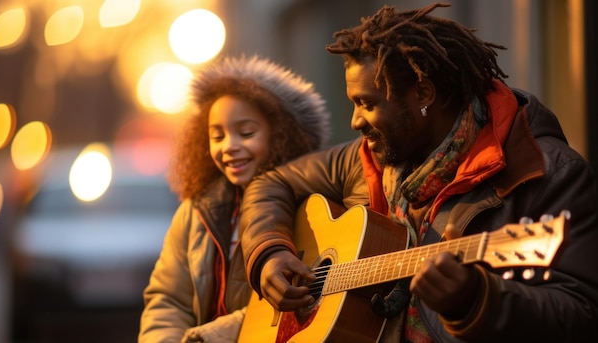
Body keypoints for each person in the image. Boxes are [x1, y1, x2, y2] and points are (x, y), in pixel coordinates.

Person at [239, 3, 598, 342]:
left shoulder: (546, 173)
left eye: (367, 104)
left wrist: (477, 301)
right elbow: (272, 183)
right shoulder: (372, 156)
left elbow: (581, 315)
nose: (355, 121)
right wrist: (270, 252)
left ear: (423, 94)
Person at [138, 55, 331, 342]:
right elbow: (168, 299)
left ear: (281, 134)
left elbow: (284, 307)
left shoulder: (311, 209)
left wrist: (207, 337)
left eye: (246, 133)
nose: (229, 146)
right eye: (217, 136)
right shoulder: (196, 210)